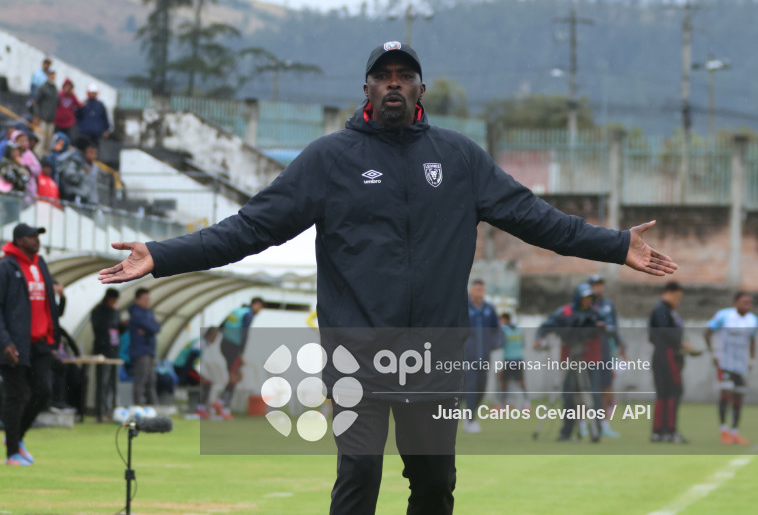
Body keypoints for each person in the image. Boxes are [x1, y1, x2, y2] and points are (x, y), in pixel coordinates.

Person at [98, 41, 677, 515]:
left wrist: (615, 245)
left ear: (421, 89)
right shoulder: (330, 159)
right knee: (360, 474)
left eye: (404, 76)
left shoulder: (460, 159)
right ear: (367, 89)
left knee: (434, 486)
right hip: (357, 356)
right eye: (383, 76)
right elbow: (250, 228)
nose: (393, 84)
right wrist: (162, 254)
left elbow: (537, 219)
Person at [0, 223, 61, 466]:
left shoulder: (40, 263)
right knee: (17, 395)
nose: (36, 239)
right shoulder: (6, 266)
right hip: (14, 344)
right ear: (18, 240)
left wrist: (53, 335)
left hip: (41, 341)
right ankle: (12, 453)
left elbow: (48, 302)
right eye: (31, 236)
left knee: (43, 391)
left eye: (37, 235)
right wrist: (5, 341)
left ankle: (16, 438)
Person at [535, 284, 605, 442]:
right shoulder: (566, 312)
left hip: (589, 360)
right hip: (569, 359)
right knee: (568, 396)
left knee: (592, 395)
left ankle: (595, 430)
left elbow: (605, 327)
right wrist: (539, 337)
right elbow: (548, 325)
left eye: (589, 298)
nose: (587, 301)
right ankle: (566, 432)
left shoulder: (595, 314)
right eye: (584, 298)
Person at [703, 292, 758, 446]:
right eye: (744, 302)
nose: (747, 305)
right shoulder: (724, 316)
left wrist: (752, 359)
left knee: (739, 397)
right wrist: (713, 353)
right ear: (736, 303)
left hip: (741, 365)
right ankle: (724, 430)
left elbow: (752, 340)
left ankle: (734, 432)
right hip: (724, 362)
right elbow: (707, 333)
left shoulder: (753, 320)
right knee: (726, 393)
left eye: (749, 302)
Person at [649, 281, 697, 443]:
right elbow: (665, 332)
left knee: (663, 392)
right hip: (667, 355)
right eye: (677, 297)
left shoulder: (666, 310)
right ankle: (670, 431)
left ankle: (658, 432)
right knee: (674, 391)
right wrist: (682, 344)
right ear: (668, 293)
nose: (679, 301)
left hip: (662, 354)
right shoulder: (662, 310)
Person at [213, 297, 266, 420]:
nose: (259, 311)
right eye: (260, 308)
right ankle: (223, 406)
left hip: (224, 344)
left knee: (235, 375)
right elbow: (244, 333)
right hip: (234, 347)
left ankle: (221, 402)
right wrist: (240, 353)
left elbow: (221, 326)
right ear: (257, 305)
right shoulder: (248, 314)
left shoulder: (237, 311)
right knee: (235, 377)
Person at [586, 275, 625, 438]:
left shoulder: (608, 305)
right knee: (587, 388)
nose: (598, 288)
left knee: (606, 387)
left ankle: (603, 423)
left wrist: (621, 346)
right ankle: (583, 423)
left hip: (605, 349)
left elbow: (614, 328)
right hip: (589, 350)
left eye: (600, 285)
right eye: (595, 285)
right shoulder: (585, 305)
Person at [463, 279, 501, 433]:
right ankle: (471, 419)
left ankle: (469, 415)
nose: (479, 293)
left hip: (484, 357)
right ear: (471, 291)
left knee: (481, 388)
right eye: (477, 290)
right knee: (470, 387)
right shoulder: (464, 308)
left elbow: (497, 330)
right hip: (468, 357)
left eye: (482, 290)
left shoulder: (489, 309)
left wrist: (494, 343)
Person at [173, 327, 220, 419]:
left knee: (205, 381)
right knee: (206, 382)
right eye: (216, 336)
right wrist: (182, 380)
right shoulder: (201, 343)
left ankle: (199, 408)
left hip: (183, 368)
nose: (216, 339)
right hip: (182, 368)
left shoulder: (201, 341)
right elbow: (189, 361)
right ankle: (200, 409)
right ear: (212, 335)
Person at [91, 288, 121, 419]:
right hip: (102, 350)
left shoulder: (115, 312)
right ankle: (100, 411)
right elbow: (99, 328)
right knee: (102, 382)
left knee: (113, 383)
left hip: (114, 350)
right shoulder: (98, 311)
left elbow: (117, 328)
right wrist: (111, 313)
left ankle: (112, 411)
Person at [128, 288, 160, 406]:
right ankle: (138, 407)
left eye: (148, 299)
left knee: (151, 380)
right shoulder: (136, 313)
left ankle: (152, 407)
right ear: (137, 299)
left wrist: (150, 328)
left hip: (150, 350)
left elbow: (157, 326)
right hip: (140, 351)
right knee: (141, 380)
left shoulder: (147, 313)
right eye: (145, 299)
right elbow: (153, 327)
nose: (148, 301)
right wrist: (151, 327)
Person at [498, 312, 529, 410]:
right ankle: (527, 403)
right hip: (519, 359)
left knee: (504, 382)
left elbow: (499, 344)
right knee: (521, 382)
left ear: (505, 319)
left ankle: (501, 404)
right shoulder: (519, 330)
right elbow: (523, 344)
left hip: (509, 359)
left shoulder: (503, 330)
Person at [58, 135, 99, 205]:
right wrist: (82, 173)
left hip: (85, 198)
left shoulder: (90, 164)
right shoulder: (74, 160)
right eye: (90, 151)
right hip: (74, 196)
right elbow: (70, 176)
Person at [32, 70, 58, 159]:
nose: (52, 77)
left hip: (51, 119)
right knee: (40, 141)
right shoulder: (43, 87)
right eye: (50, 75)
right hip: (42, 118)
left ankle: (45, 159)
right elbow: (37, 102)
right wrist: (37, 115)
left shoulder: (54, 88)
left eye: (53, 75)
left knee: (48, 142)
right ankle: (37, 158)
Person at [54, 78, 82, 143]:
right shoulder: (60, 94)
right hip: (58, 122)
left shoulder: (72, 96)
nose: (68, 88)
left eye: (69, 86)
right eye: (66, 86)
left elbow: (78, 105)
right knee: (57, 139)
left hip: (68, 123)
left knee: (67, 140)